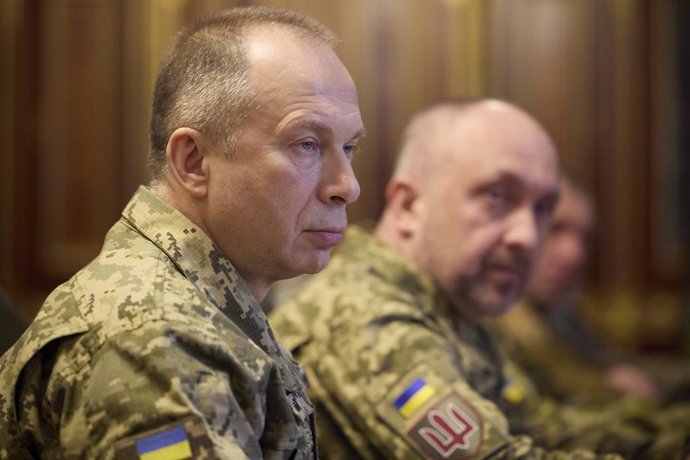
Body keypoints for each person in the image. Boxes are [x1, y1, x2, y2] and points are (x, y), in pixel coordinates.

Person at [0, 6, 363, 458]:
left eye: (348, 148)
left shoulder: (202, 303)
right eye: (306, 144)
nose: (347, 186)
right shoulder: (152, 338)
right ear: (193, 162)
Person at [270, 98, 690, 459]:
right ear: (409, 205)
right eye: (496, 196)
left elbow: (546, 429)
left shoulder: (452, 306)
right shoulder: (365, 315)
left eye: (543, 208)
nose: (528, 236)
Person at [492, 178, 690, 405]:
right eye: (556, 228)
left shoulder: (561, 311)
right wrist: (611, 388)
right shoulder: (495, 314)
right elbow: (562, 384)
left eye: (585, 238)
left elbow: (615, 362)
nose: (574, 254)